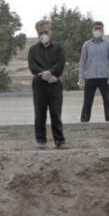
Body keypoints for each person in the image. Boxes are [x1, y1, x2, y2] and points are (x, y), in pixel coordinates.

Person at [28, 20, 67, 149]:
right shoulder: (33, 50)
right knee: (40, 113)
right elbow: (33, 66)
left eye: (46, 31)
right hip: (39, 84)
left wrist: (51, 72)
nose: (44, 34)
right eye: (41, 32)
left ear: (51, 32)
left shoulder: (58, 48)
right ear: (37, 33)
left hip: (55, 83)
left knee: (56, 113)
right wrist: (44, 74)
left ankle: (59, 141)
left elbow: (60, 64)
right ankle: (41, 141)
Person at [78, 21, 109, 123]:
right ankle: (84, 121)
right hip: (90, 77)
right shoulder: (86, 45)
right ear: (92, 30)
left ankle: (108, 121)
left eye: (100, 28)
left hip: (104, 77)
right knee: (87, 101)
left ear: (103, 30)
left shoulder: (108, 44)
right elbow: (82, 61)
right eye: (96, 28)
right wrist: (81, 77)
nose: (98, 30)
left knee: (107, 100)